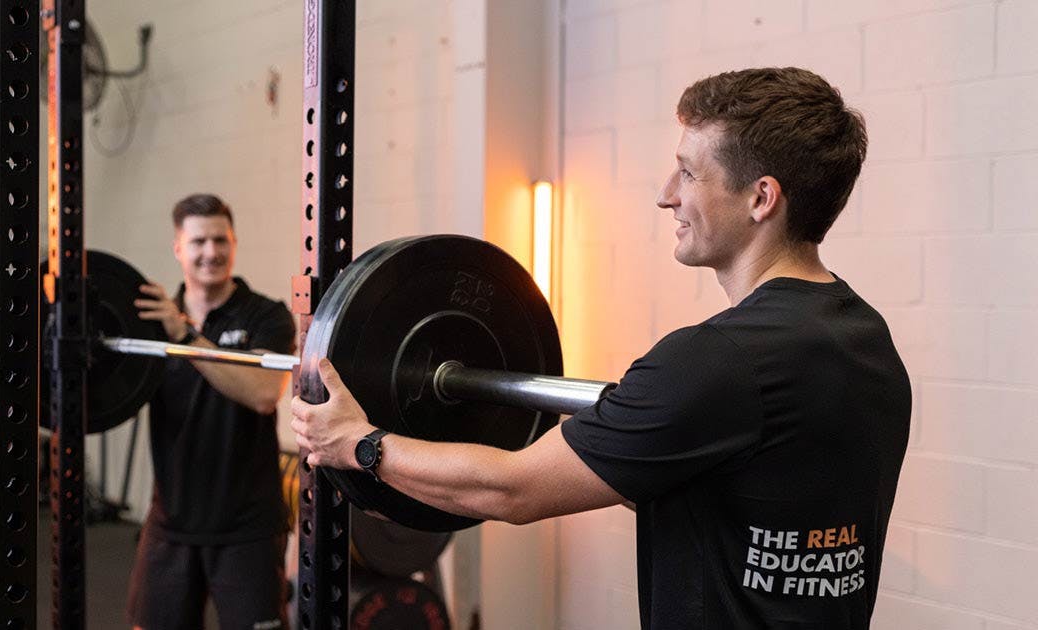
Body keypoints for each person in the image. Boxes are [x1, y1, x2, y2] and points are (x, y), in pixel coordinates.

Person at [292, 67, 911, 629]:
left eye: (690, 172)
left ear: (761, 198)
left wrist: (360, 444)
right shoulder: (868, 340)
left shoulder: (718, 361)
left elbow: (514, 489)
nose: (667, 193)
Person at [127, 193, 296, 630]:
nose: (211, 253)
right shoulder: (151, 325)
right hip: (171, 523)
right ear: (178, 248)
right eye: (199, 241)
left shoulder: (267, 316)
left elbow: (262, 393)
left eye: (220, 240)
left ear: (234, 243)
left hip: (246, 529)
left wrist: (184, 336)